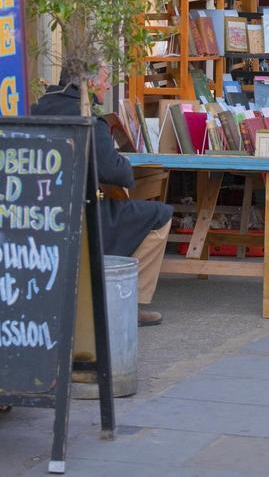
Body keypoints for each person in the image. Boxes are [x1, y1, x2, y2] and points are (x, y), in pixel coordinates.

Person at [32, 65, 173, 326]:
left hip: (37, 211)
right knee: (160, 215)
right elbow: (117, 174)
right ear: (90, 82)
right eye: (106, 80)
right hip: (81, 215)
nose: (108, 86)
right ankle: (129, 302)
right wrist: (122, 162)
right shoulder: (87, 119)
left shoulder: (35, 108)